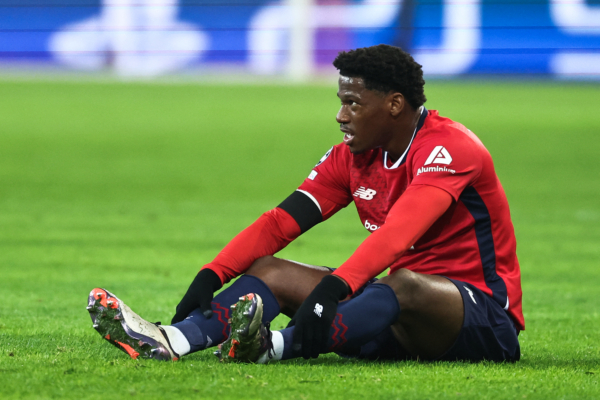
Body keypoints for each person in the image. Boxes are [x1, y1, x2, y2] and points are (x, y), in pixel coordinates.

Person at [87, 44, 523, 364]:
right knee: (270, 270)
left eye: (353, 103)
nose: (340, 115)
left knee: (405, 282)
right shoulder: (350, 157)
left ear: (394, 104)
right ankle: (172, 340)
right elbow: (280, 222)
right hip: (391, 318)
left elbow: (398, 235)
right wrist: (212, 273)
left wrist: (332, 291)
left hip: (481, 321)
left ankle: (273, 347)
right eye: (340, 102)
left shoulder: (450, 148)